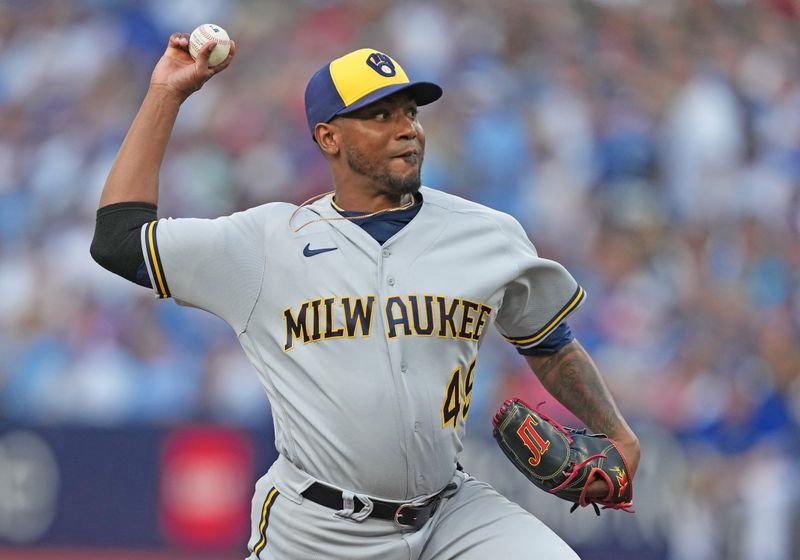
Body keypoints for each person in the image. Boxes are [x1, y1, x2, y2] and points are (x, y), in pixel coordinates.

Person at [91, 33, 640, 560]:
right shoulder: (264, 244)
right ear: (329, 137)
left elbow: (550, 341)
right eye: (381, 115)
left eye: (411, 113)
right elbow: (118, 240)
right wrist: (167, 92)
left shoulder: (487, 234)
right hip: (317, 529)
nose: (407, 130)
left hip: (449, 513)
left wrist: (617, 434)